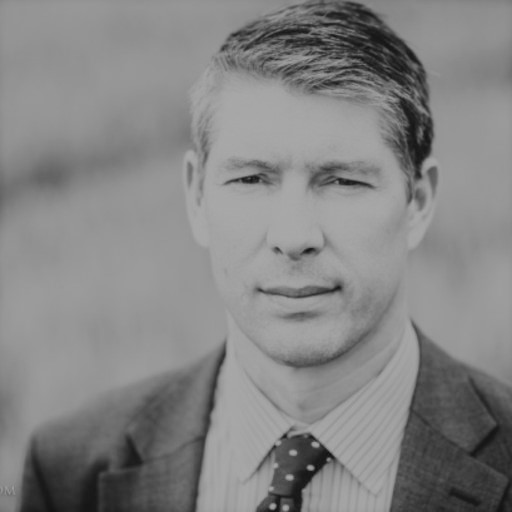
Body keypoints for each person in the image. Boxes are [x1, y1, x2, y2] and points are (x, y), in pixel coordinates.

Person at [19, 1, 512, 511]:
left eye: (343, 181)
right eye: (251, 179)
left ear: (419, 202)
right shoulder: (71, 470)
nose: (293, 236)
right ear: (196, 197)